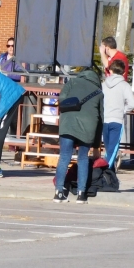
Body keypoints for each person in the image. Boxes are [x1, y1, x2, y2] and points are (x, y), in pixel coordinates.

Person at [53, 67, 104, 204]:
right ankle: (81, 194)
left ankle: (58, 193)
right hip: (89, 126)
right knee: (83, 158)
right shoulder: (99, 92)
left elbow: (62, 100)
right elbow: (100, 119)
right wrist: (96, 145)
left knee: (64, 156)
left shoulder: (71, 83)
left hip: (68, 123)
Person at [102, 59, 134, 169]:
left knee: (108, 148)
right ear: (123, 72)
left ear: (110, 71)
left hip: (104, 119)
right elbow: (132, 103)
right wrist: (123, 110)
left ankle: (108, 172)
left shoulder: (103, 84)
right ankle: (107, 172)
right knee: (113, 149)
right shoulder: (124, 85)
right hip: (117, 120)